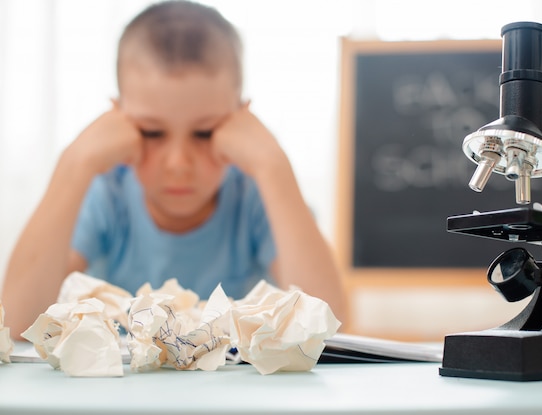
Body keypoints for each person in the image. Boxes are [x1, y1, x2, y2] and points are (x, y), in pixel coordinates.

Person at [1, 0, 346, 336]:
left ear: (243, 120)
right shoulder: (108, 193)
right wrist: (74, 164)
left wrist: (274, 166)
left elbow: (332, 324)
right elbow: (16, 323)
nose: (178, 164)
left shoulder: (254, 193)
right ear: (118, 118)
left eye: (204, 132)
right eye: (152, 132)